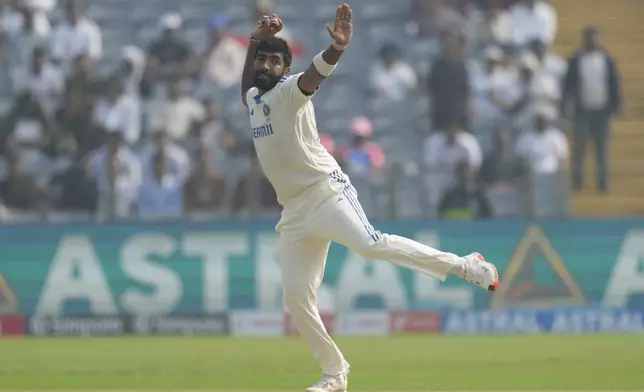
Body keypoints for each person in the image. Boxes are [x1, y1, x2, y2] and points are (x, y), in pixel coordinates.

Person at [240, 5, 500, 392]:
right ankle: (335, 374)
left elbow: (314, 76)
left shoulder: (289, 92)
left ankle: (464, 265)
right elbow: (246, 82)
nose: (266, 65)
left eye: (275, 61)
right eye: (263, 59)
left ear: (284, 68)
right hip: (294, 210)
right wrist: (254, 41)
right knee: (296, 299)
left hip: (325, 192)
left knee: (371, 245)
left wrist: (337, 50)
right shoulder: (254, 101)